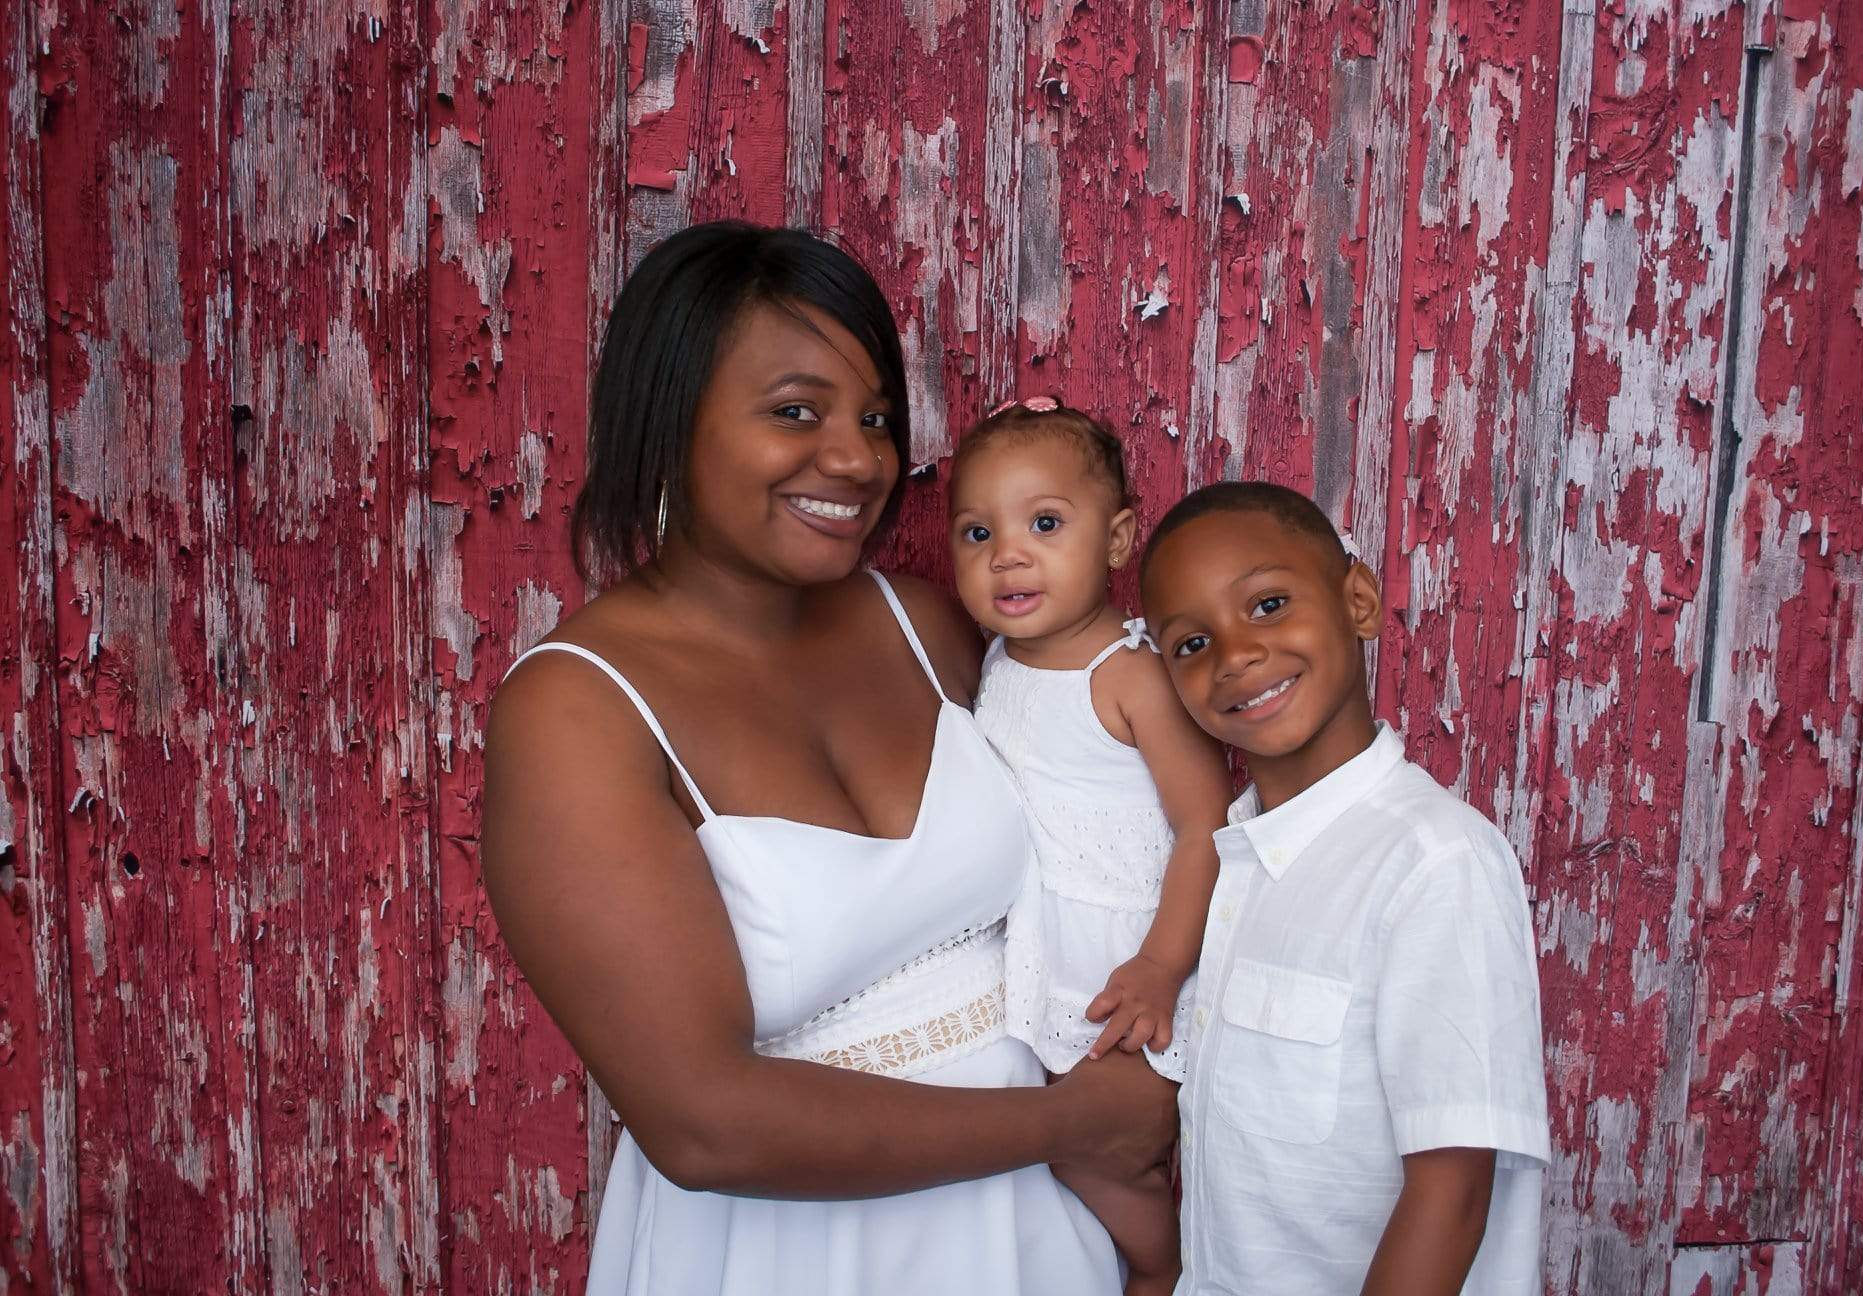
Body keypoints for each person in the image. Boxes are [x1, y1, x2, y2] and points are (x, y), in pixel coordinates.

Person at [482, 221, 1174, 1296]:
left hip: (1038, 1234)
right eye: (794, 412)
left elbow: (1123, 831)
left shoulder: (928, 626)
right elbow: (703, 1122)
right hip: (792, 1254)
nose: (857, 459)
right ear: (669, 424)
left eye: (875, 418)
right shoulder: (578, 710)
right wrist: (1074, 1121)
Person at [1138, 481, 1549, 1295]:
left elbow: (1452, 1192)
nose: (1236, 656)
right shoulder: (1232, 868)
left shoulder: (1435, 862)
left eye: (1268, 604)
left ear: (1357, 599)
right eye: (1190, 644)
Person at [948, 397, 1230, 1295]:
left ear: (1116, 543)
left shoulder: (1128, 675)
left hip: (1119, 959)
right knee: (1047, 1148)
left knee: (1101, 1155)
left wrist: (1160, 965)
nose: (1008, 554)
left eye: (1043, 523)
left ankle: (1160, 1271)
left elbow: (1204, 827)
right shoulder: (997, 659)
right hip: (1038, 937)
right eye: (976, 532)